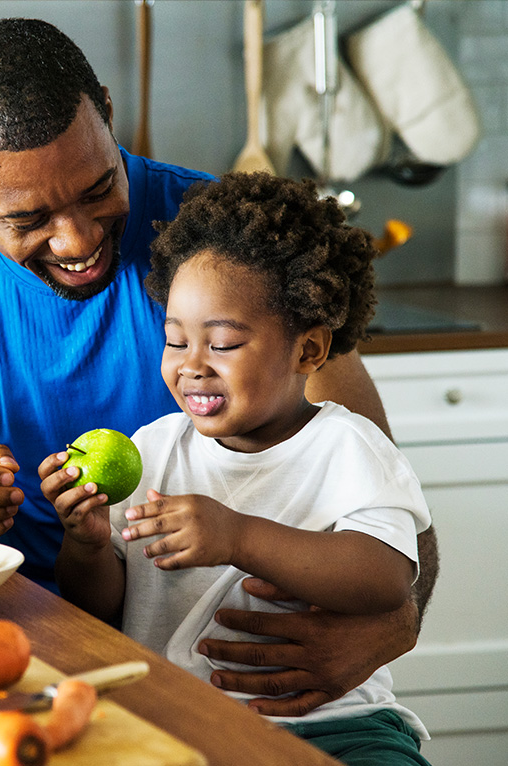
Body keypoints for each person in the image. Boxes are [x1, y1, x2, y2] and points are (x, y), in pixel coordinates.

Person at [0, 17, 439, 717]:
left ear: (105, 110)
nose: (77, 239)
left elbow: (387, 500)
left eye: (98, 188)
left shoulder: (223, 248)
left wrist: (391, 628)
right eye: (28, 218)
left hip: (242, 676)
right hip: (12, 645)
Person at [40, 171, 432, 764]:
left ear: (308, 350)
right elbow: (102, 608)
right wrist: (88, 545)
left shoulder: (348, 447)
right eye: (176, 341)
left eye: (221, 344)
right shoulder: (153, 449)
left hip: (335, 725)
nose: (192, 366)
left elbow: (385, 579)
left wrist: (238, 536)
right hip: (177, 721)